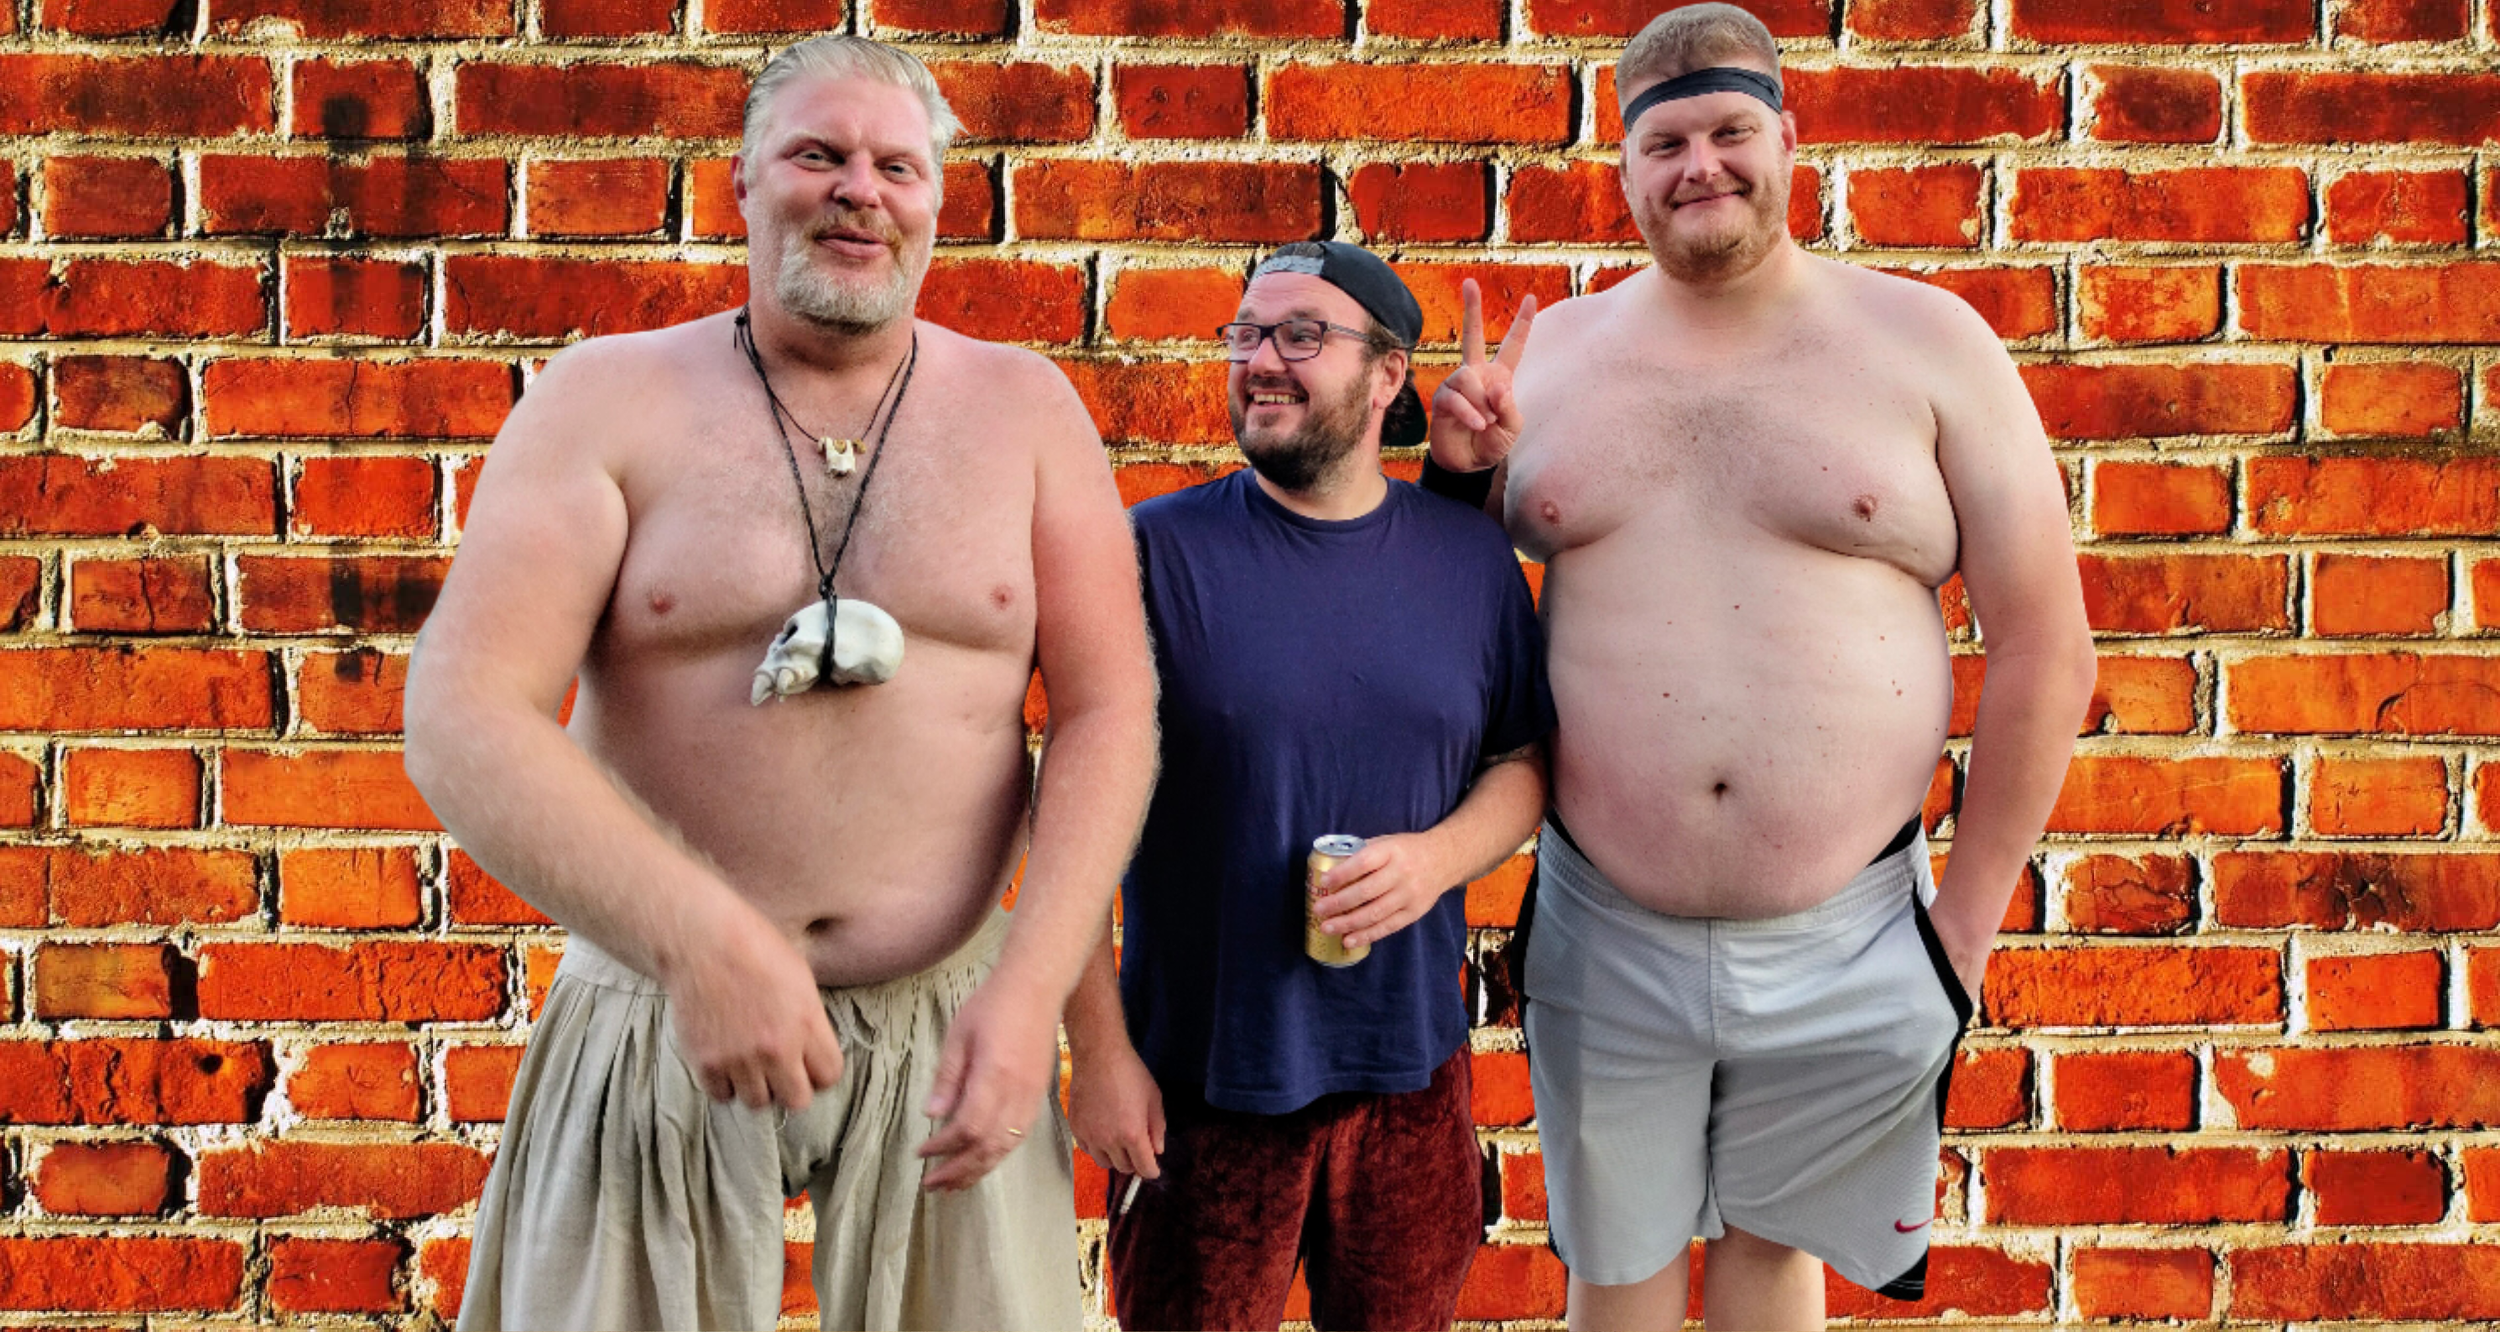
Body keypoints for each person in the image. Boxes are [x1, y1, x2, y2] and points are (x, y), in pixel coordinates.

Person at [401, 35, 1157, 1331]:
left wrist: (1041, 1001)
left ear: (935, 201)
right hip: (656, 1017)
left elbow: (1105, 713)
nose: (861, 188)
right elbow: (463, 716)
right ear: (742, 183)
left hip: (952, 1033)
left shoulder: (1027, 414)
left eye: (897, 166)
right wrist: (699, 942)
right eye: (819, 154)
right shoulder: (604, 402)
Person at [1421, 6, 2098, 1329]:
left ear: (1790, 139)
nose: (1701, 165)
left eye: (1731, 131)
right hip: (1604, 922)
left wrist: (1959, 932)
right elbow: (1441, 625)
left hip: (1852, 926)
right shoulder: (1545, 357)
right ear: (1624, 169)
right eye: (1664, 141)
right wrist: (1456, 477)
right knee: (1610, 1280)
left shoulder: (1930, 341)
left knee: (1773, 1267)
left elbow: (2046, 648)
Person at [1062, 241, 1555, 1331]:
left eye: (1300, 335)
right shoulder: (1153, 553)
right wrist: (1096, 1052)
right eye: (1246, 334)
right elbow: (1062, 819)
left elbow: (1521, 763)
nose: (1261, 361)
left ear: (1387, 376)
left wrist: (1435, 860)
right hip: (1201, 1084)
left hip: (1410, 1079)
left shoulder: (1466, 559)